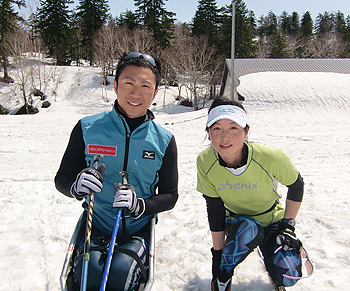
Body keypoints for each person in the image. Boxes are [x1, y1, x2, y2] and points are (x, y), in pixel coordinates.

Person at [55, 52, 178, 291]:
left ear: (155, 93)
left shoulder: (164, 140)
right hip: (96, 226)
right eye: (128, 83)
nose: (136, 93)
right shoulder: (87, 128)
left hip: (137, 230)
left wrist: (140, 205)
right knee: (91, 279)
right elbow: (62, 179)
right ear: (115, 85)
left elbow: (170, 195)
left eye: (145, 86)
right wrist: (75, 186)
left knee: (121, 274)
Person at [196, 97, 305, 291]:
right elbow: (215, 210)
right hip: (238, 223)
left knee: (289, 275)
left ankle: (270, 252)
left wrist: (288, 226)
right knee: (249, 229)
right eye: (216, 128)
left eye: (233, 128)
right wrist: (218, 261)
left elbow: (296, 185)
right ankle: (226, 272)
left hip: (272, 220)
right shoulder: (205, 161)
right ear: (208, 133)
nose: (225, 137)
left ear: (246, 132)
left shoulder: (270, 157)